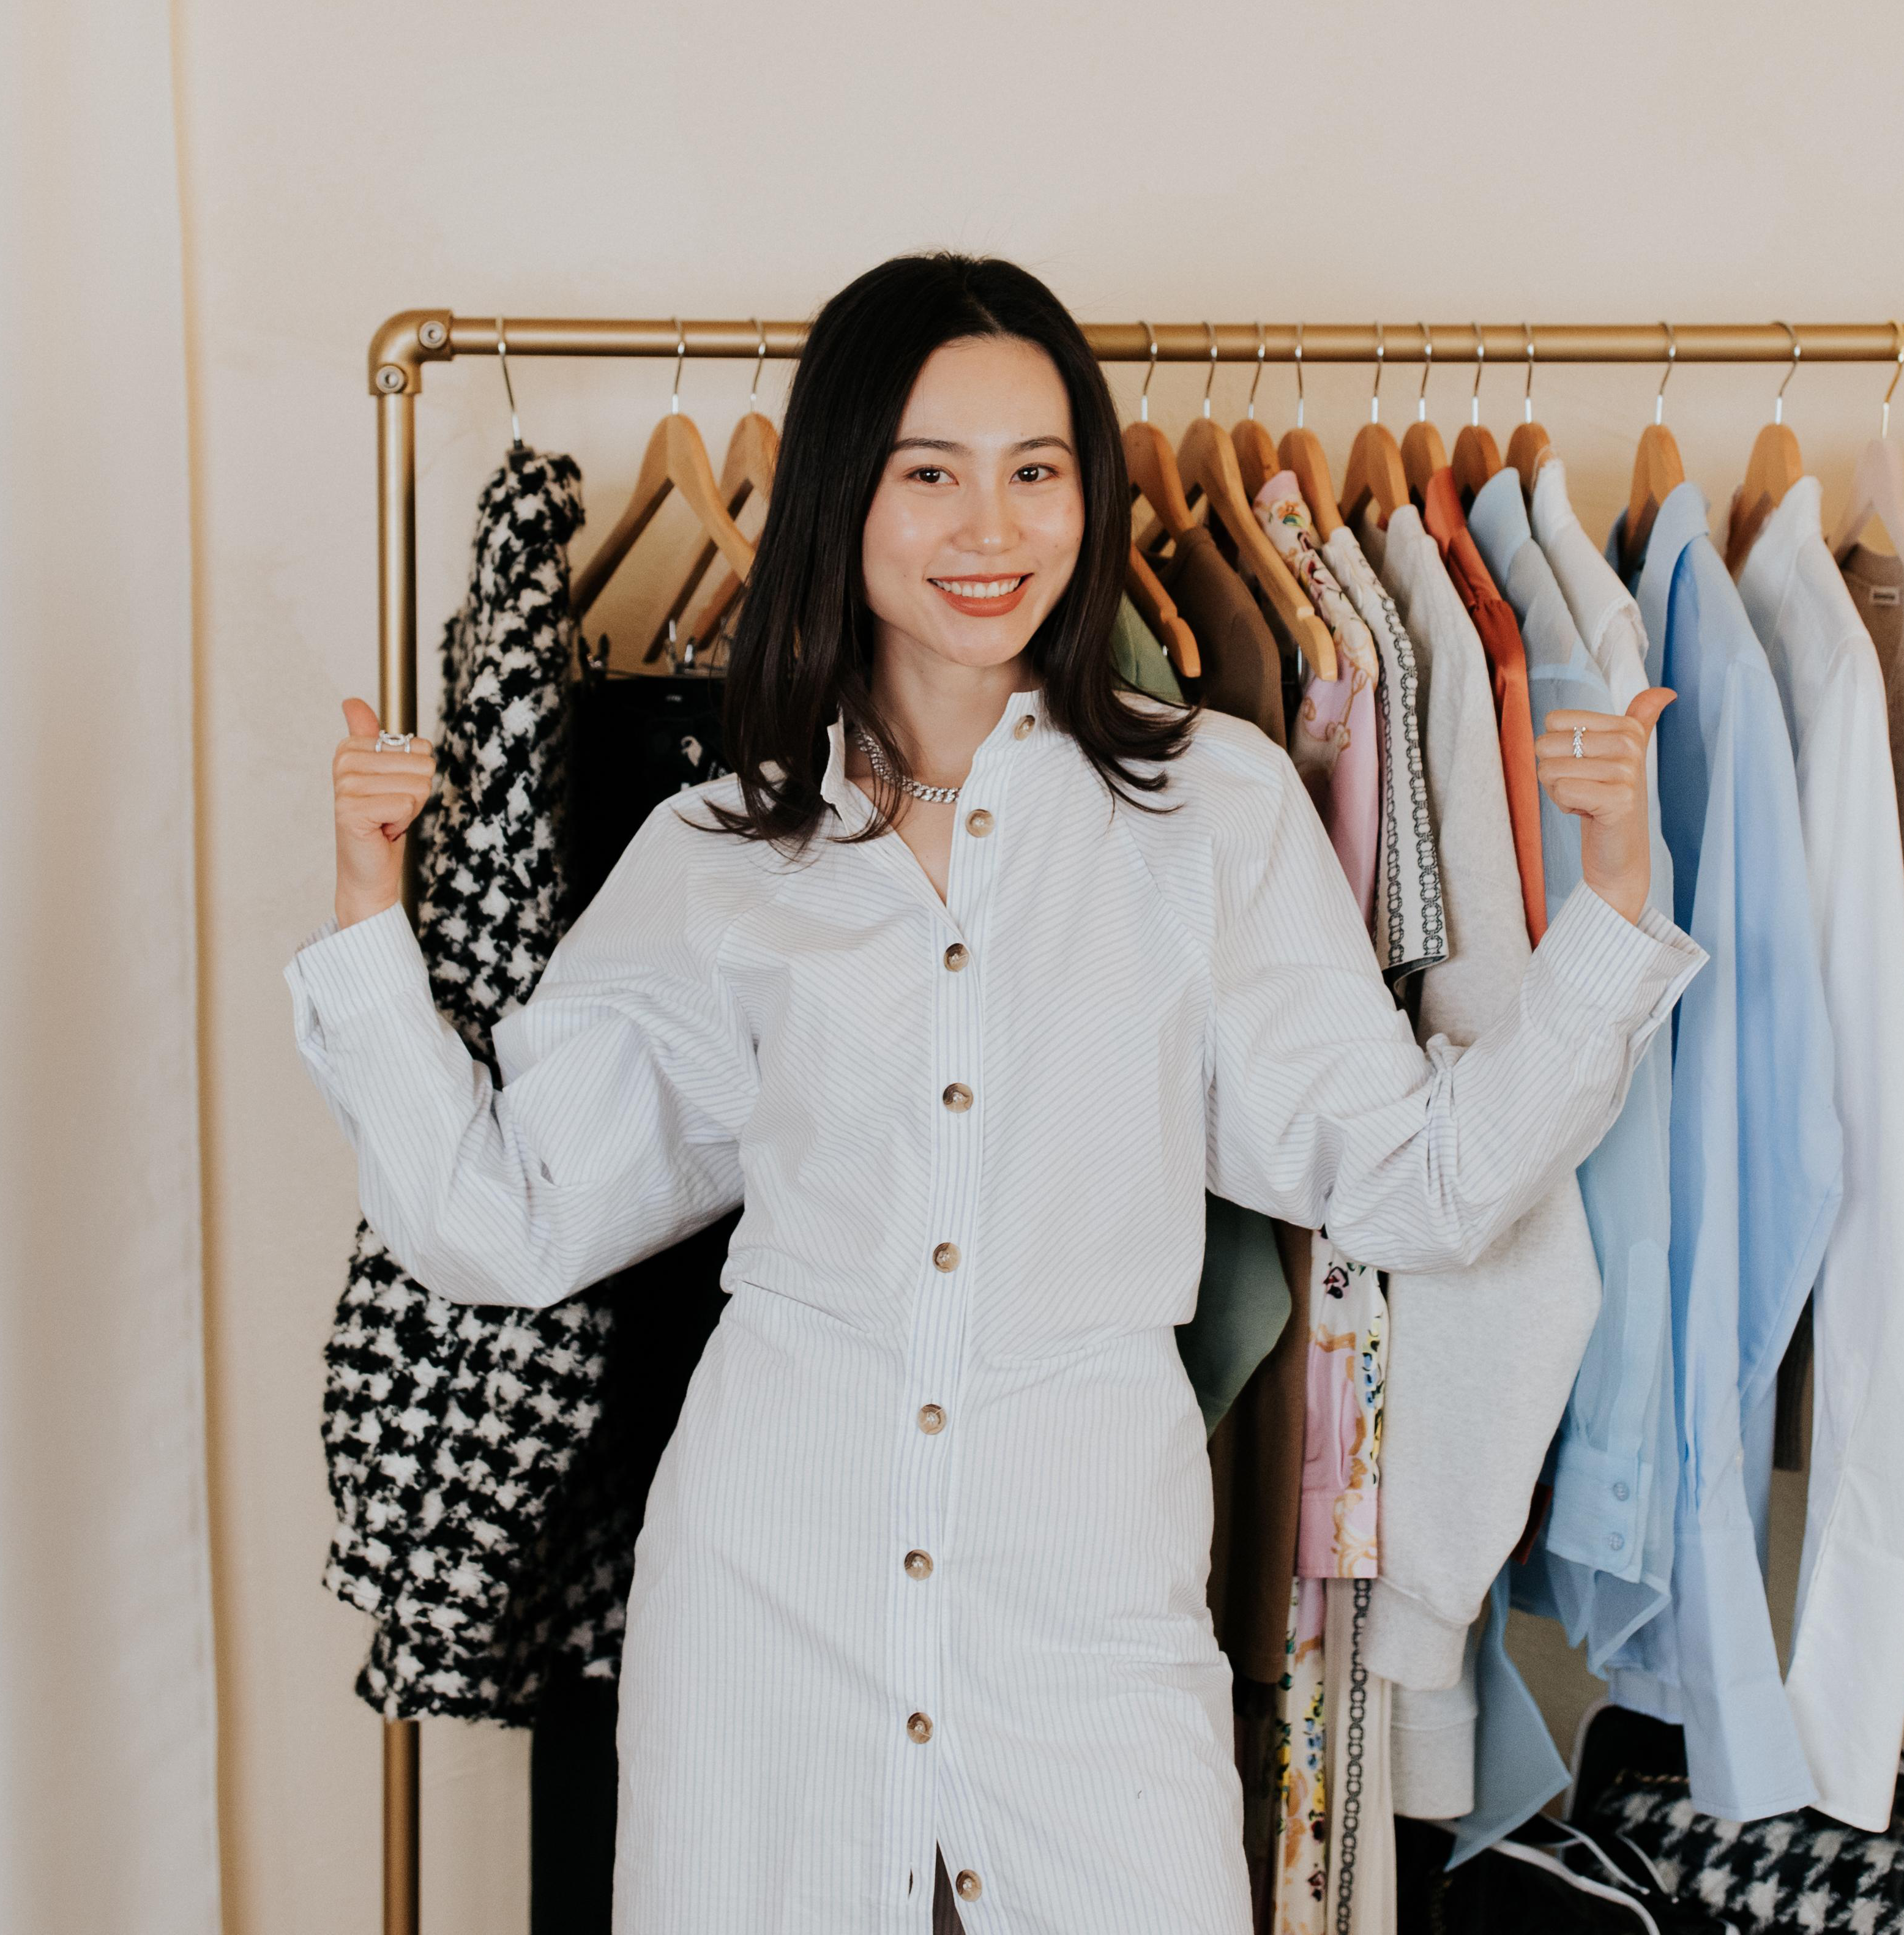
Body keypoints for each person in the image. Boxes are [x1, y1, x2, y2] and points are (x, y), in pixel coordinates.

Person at [298, 254, 1687, 1931]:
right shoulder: (723, 851)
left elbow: (1412, 1181)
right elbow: (499, 1221)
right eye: (929, 470)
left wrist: (1609, 913)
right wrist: (371, 925)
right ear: (842, 493)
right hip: (764, 1595)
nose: (992, 525)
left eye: (1035, 470)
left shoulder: (1211, 813)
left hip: (1087, 1602)